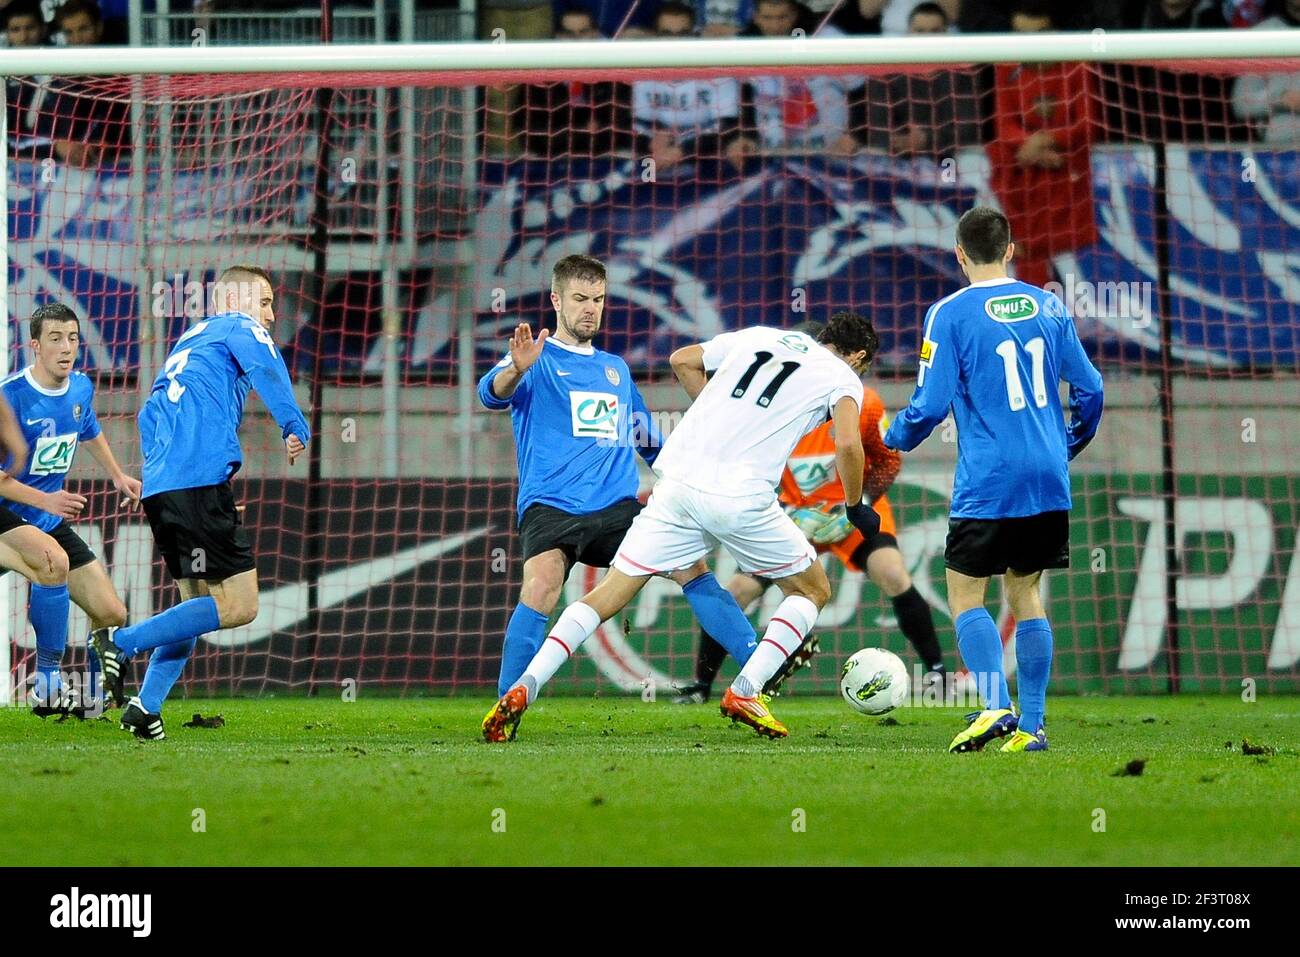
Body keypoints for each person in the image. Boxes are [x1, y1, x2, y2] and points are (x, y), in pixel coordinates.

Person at [482, 311, 883, 743]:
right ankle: (748, 688)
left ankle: (526, 685)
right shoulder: (843, 377)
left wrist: (721, 418)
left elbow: (682, 360)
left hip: (676, 482)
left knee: (608, 594)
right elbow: (847, 443)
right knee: (812, 590)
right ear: (858, 357)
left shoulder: (762, 334)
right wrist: (856, 504)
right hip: (740, 493)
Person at [477, 254, 759, 715]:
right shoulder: (535, 357)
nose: (591, 308)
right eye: (580, 299)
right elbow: (490, 393)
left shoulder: (615, 369)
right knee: (542, 586)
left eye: (599, 299)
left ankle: (763, 664)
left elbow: (647, 439)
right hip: (552, 504)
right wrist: (516, 368)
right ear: (556, 300)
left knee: (691, 565)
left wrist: (699, 468)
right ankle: (506, 704)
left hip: (616, 510)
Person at [883, 207, 1104, 753]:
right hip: (1047, 476)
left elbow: (930, 404)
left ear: (959, 255)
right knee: (1026, 592)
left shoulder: (949, 314)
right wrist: (1066, 445)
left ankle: (993, 707)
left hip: (989, 479)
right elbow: (1092, 388)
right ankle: (1032, 727)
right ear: (1011, 249)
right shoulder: (1048, 304)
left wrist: (894, 440)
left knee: (964, 593)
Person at [90, 266, 311, 741]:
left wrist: (172, 483)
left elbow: (149, 414)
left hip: (167, 484)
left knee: (196, 603)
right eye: (266, 302)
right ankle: (120, 641)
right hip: (195, 484)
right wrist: (294, 425)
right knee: (241, 606)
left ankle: (144, 707)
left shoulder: (188, 342)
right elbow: (267, 367)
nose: (270, 316)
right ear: (237, 298)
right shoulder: (239, 324)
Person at [677, 320, 946, 704]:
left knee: (892, 572)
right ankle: (702, 686)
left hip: (851, 513)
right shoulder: (775, 401)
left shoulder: (862, 401)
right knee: (737, 590)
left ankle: (937, 674)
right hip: (796, 517)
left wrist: (863, 500)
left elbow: (887, 460)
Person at [0, 303, 139, 717]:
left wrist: (116, 475)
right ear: (35, 345)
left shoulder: (80, 388)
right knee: (52, 560)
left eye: (74, 338)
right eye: (56, 338)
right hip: (7, 515)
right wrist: (45, 499)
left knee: (111, 612)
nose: (67, 347)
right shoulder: (9, 398)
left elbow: (89, 428)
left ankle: (94, 702)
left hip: (43, 518)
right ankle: (46, 683)